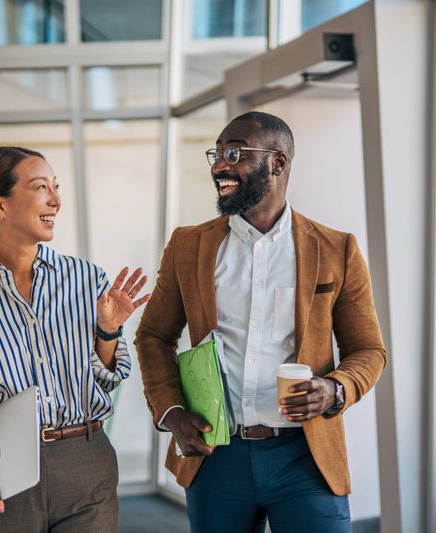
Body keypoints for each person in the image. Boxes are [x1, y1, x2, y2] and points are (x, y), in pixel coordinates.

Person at [135, 111, 387, 533]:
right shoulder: (188, 246)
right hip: (216, 457)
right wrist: (172, 412)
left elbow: (369, 351)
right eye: (216, 154)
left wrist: (335, 388)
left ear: (278, 162)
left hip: (305, 457)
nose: (219, 165)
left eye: (234, 153)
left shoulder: (336, 249)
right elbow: (153, 335)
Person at [0, 146, 150, 532]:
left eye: (56, 187)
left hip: (87, 459)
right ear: (0, 204)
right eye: (41, 187)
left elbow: (107, 378)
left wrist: (108, 331)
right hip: (1, 472)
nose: (56, 200)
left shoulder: (86, 280)